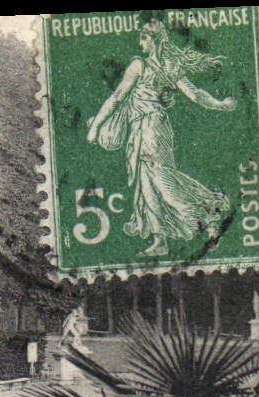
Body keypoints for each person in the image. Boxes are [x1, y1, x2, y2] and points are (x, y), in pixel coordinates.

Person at [85, 20, 235, 257]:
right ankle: (160, 240)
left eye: (143, 38)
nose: (140, 42)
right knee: (147, 184)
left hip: (151, 128)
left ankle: (208, 211)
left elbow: (116, 97)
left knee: (160, 178)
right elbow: (195, 95)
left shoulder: (140, 65)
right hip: (145, 128)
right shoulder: (170, 66)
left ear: (154, 40)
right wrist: (221, 105)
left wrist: (95, 128)